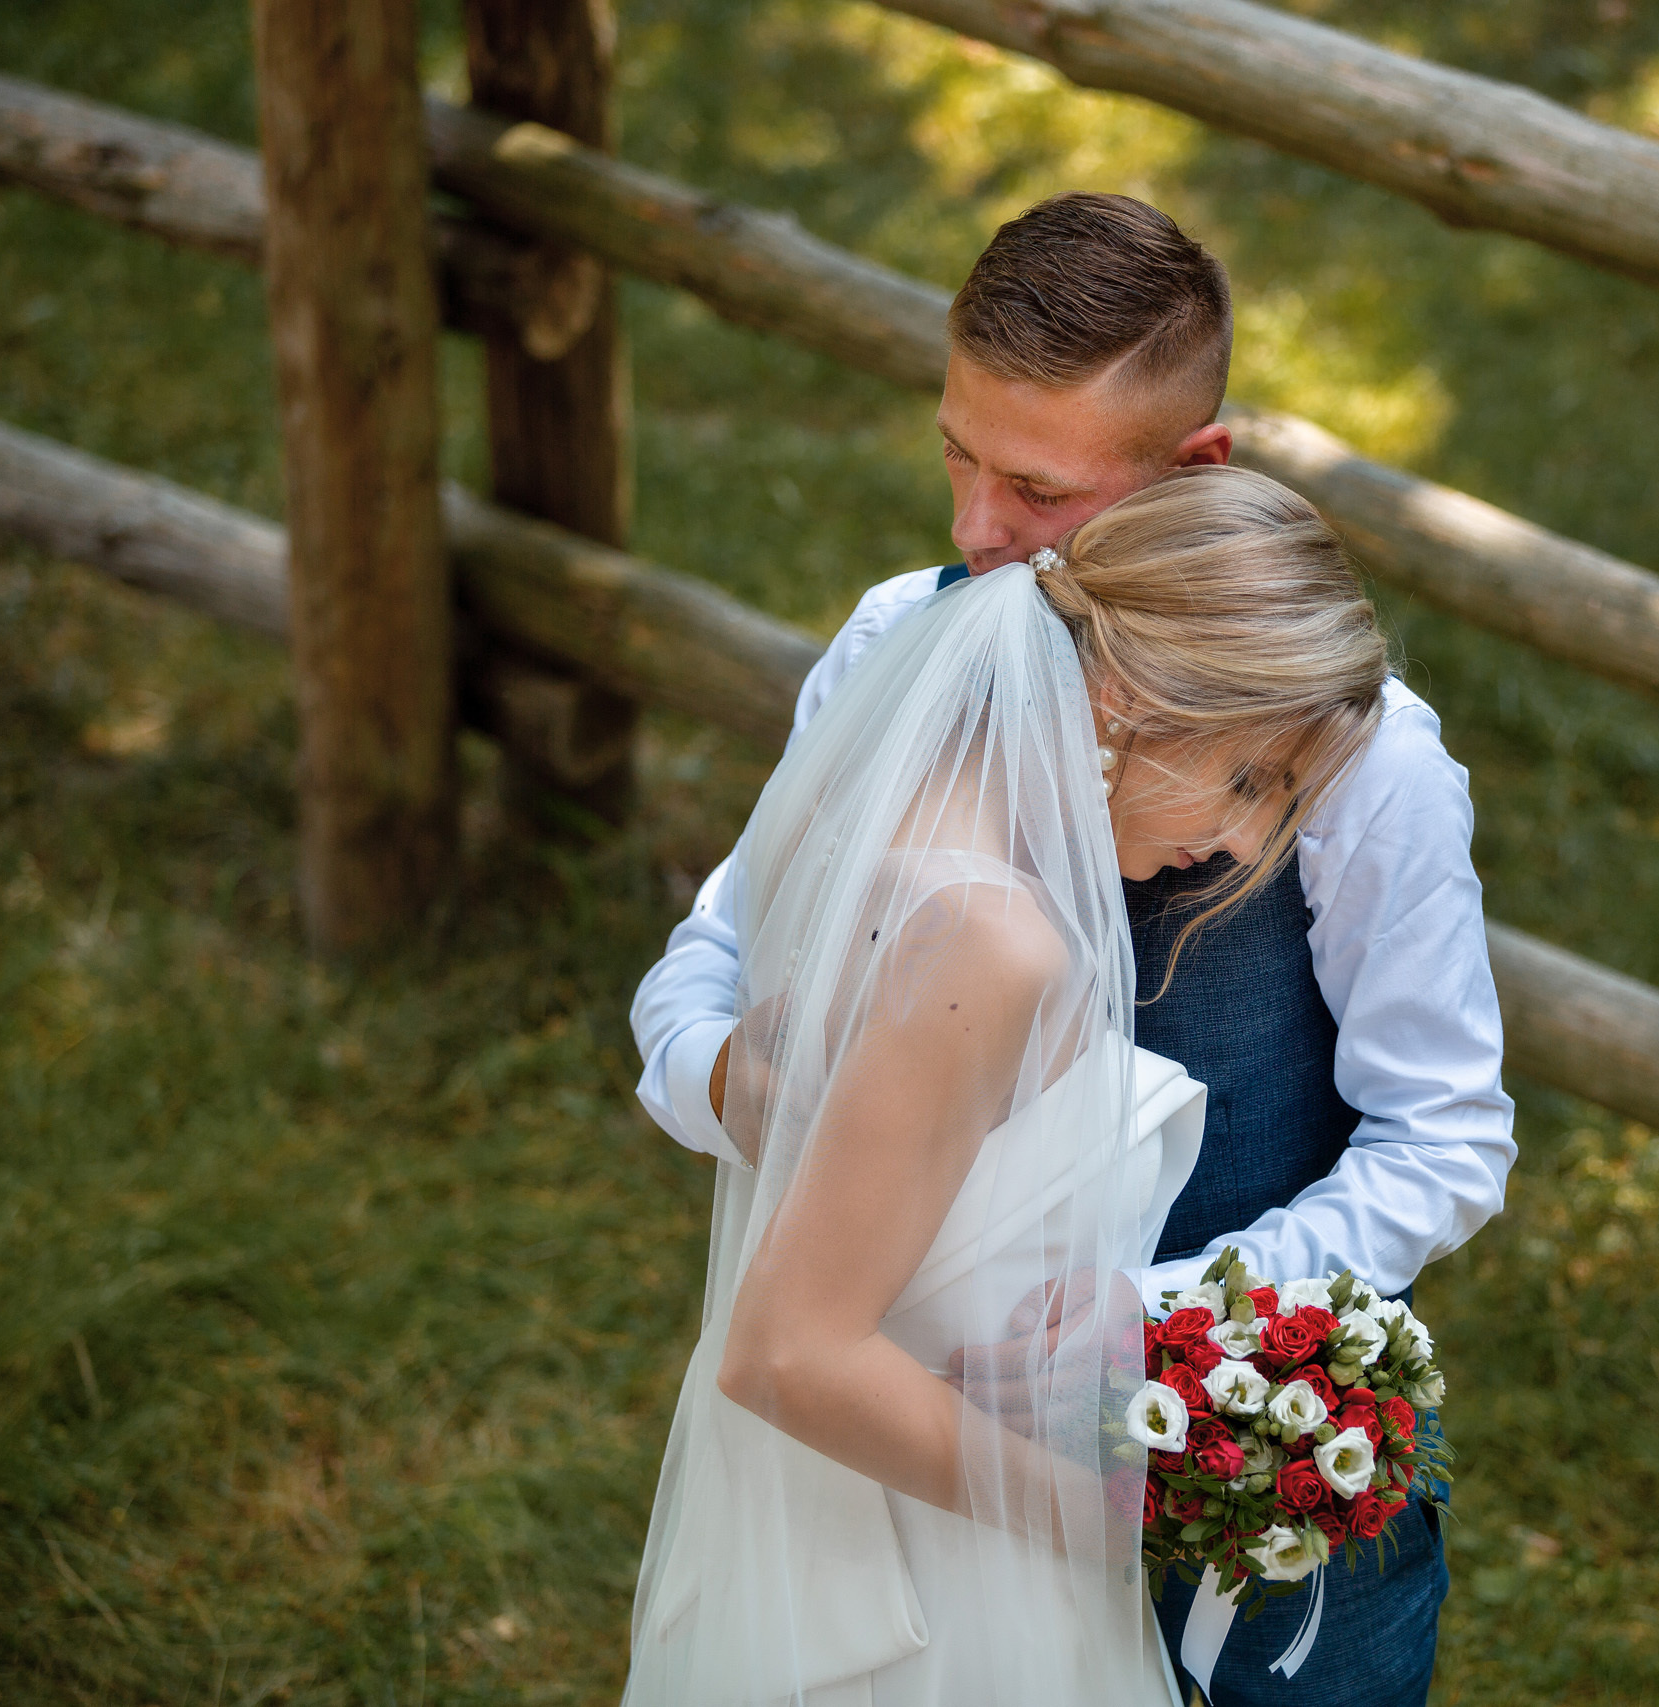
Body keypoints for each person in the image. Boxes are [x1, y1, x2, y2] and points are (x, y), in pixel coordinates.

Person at [631, 193, 1515, 1705]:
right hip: (909, 1444)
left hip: (1240, 1434)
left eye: (1039, 490)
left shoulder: (1359, 758)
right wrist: (747, 1081)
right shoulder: (897, 653)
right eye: (957, 455)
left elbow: (1443, 1136)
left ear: (1196, 472)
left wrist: (1161, 1334)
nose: (979, 530)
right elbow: (709, 951)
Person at [624, 467, 1388, 1703]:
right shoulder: (992, 942)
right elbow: (788, 1352)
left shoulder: (890, 792)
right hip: (947, 1573)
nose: (1246, 845)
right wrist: (1104, 1513)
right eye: (1251, 778)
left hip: (845, 1520)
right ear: (1131, 699)